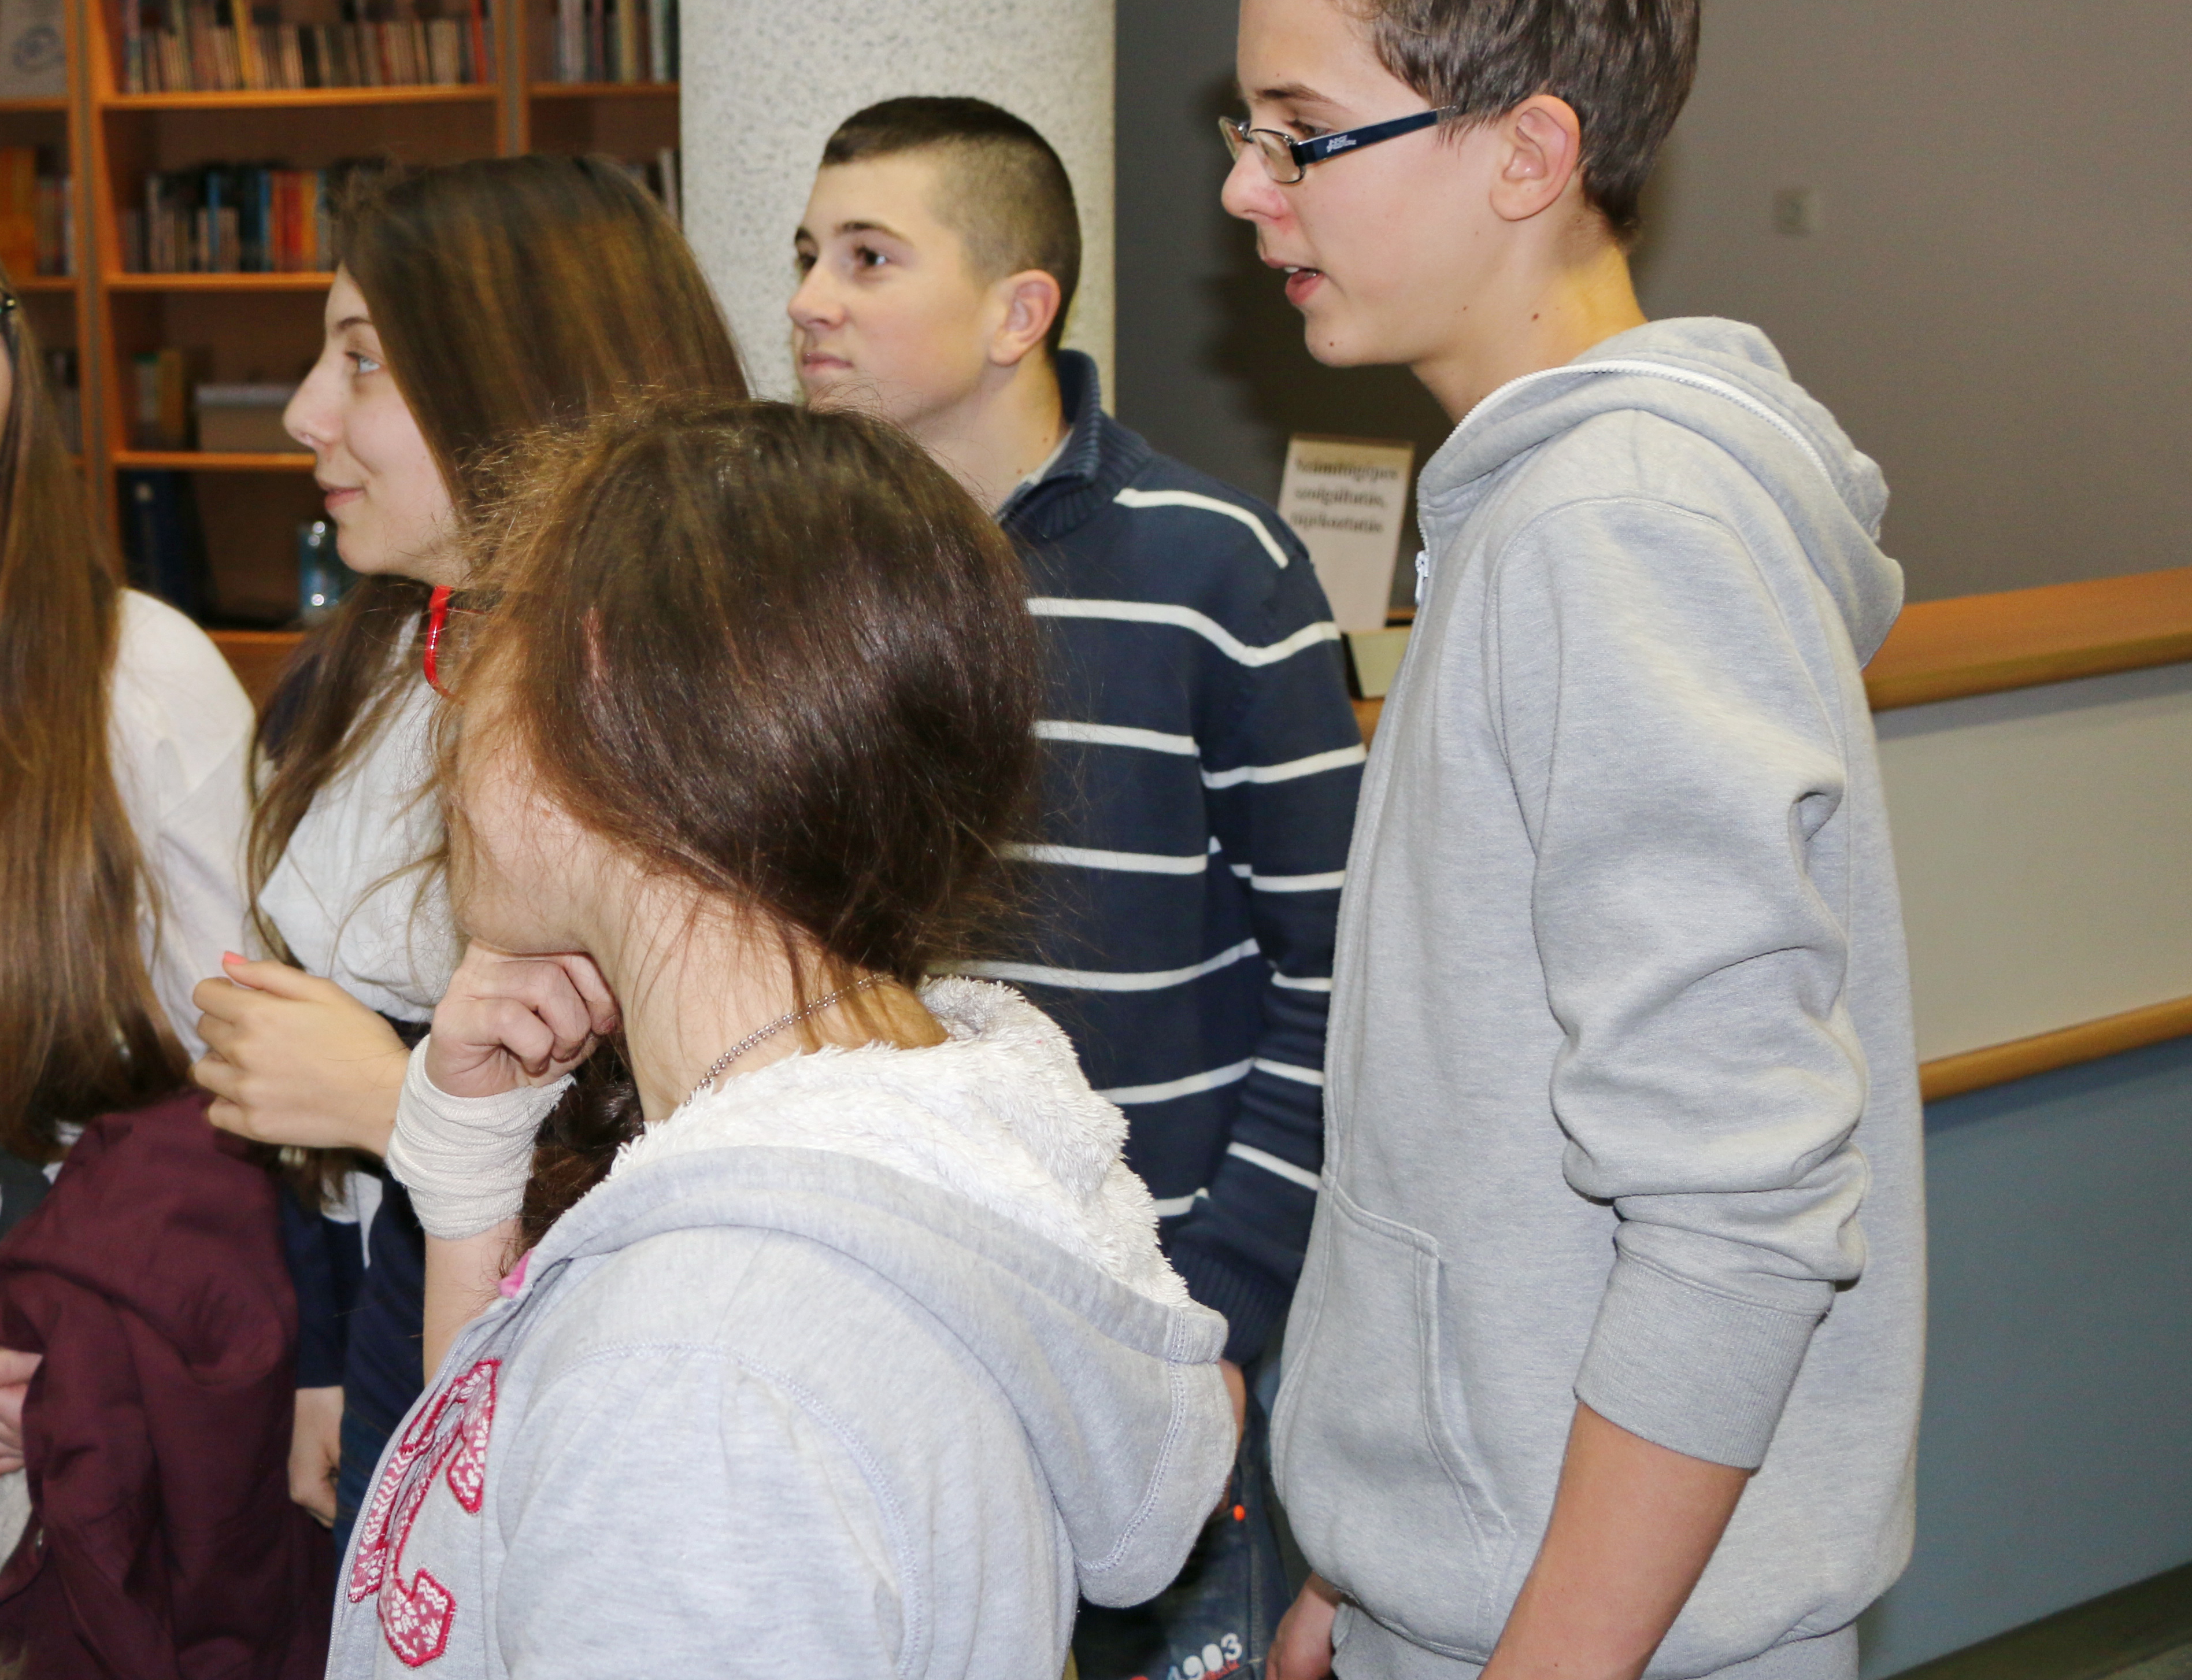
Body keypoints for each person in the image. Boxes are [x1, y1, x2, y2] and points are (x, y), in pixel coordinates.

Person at [1220, 0, 1921, 1680]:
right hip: (1485, 1573)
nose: (1248, 193)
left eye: (1299, 134)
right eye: (1245, 132)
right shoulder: (1543, 508)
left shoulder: (1618, 526)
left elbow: (1738, 1213)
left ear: (1529, 153)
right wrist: (1384, 1546)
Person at [329, 397, 1234, 1678]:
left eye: (482, 636)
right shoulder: (910, 1144)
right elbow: (478, 1557)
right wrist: (472, 1180)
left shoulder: (695, 1377)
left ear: (599, 681)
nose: (456, 698)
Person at [791, 95, 1361, 1679]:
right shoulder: (811, 580)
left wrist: (1219, 1305)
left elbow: (1340, 977)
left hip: (1161, 1328)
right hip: (905, 1317)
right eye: (806, 255)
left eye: (868, 258)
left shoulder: (1216, 571)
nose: (810, 300)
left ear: (1016, 311)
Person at [184, 157, 748, 1540]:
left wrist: (392, 1103)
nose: (305, 413)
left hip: (602, 1390)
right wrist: (325, 1354)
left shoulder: (699, 722)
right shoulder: (367, 661)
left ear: (517, 378)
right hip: (402, 1310)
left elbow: (718, 1155)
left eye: (362, 361)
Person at [0, 185, 322, 1665]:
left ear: (18, 395)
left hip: (24, 1406)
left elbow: (252, 1079)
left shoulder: (135, 674)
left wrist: (101, 1351)